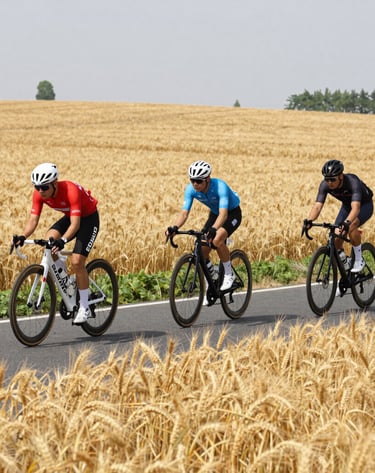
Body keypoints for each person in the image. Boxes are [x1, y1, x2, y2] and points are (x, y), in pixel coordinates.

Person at [12, 163, 100, 324]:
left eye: (44, 187)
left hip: (88, 219)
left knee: (77, 261)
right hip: (69, 217)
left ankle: (85, 307)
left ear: (54, 183)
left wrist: (63, 241)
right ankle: (67, 280)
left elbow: (76, 225)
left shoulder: (70, 191)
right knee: (49, 241)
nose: (40, 191)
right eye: (37, 187)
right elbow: (33, 219)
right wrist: (23, 236)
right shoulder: (39, 194)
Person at [166, 160, 242, 291]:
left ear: (208, 179)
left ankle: (229, 275)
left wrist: (214, 229)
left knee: (217, 239)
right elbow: (184, 214)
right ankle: (212, 276)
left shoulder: (220, 186)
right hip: (215, 214)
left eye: (199, 181)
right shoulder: (191, 190)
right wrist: (175, 228)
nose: (195, 184)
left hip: (231, 214)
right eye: (192, 180)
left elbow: (223, 215)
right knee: (201, 247)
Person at [303, 159, 373, 272]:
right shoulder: (325, 185)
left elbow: (356, 208)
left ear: (340, 176)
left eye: (332, 179)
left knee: (351, 226)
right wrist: (309, 220)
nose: (329, 182)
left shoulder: (352, 182)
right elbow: (317, 206)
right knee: (336, 234)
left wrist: (347, 223)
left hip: (364, 205)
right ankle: (345, 263)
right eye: (326, 179)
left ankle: (359, 260)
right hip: (347, 206)